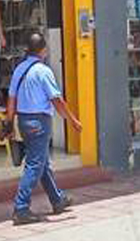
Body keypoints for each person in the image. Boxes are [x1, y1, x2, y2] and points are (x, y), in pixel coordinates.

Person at [5, 33, 83, 225]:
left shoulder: (19, 69)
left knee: (42, 162)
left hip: (23, 121)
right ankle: (21, 208)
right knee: (35, 164)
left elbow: (11, 99)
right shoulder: (43, 71)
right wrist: (72, 120)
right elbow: (57, 100)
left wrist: (9, 123)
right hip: (39, 122)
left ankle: (57, 200)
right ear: (43, 50)